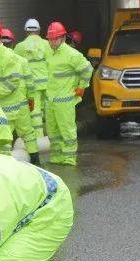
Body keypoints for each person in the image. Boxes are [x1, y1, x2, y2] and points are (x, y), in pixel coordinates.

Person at [0, 19, 40, 165]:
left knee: (15, 137)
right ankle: (3, 169)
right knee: (0, 138)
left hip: (11, 106)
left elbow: (13, 81)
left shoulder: (8, 56)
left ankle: (34, 163)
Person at [44, 21, 93, 166]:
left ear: (63, 38)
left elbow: (87, 69)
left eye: (55, 38)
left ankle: (69, 159)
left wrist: (82, 86)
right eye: (50, 38)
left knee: (67, 131)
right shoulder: (48, 52)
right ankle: (57, 157)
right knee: (53, 132)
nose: (52, 41)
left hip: (65, 100)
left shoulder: (71, 54)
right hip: (51, 100)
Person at [14, 18, 50, 138]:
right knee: (48, 111)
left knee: (35, 114)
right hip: (47, 84)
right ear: (39, 30)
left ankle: (39, 139)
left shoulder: (20, 47)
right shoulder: (47, 44)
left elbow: (15, 66)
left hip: (31, 86)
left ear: (25, 31)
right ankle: (51, 138)